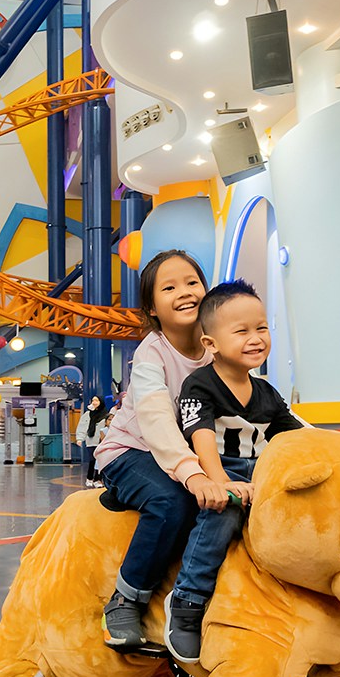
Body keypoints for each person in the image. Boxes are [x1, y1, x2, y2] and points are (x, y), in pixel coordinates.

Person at [164, 279, 307, 665]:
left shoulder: (266, 393)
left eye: (261, 328)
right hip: (216, 471)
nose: (255, 338)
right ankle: (187, 600)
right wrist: (221, 483)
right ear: (210, 343)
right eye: (241, 331)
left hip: (257, 473)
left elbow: (297, 434)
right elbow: (201, 437)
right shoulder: (200, 385)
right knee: (223, 513)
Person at [91, 249, 226, 652]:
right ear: (152, 307)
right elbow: (157, 421)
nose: (184, 292)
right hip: (131, 451)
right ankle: (125, 598)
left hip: (182, 451)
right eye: (169, 287)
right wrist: (194, 473)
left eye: (192, 282)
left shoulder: (215, 350)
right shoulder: (152, 354)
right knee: (173, 501)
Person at [75, 395, 108, 487]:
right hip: (91, 441)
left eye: (96, 400)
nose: (94, 402)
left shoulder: (106, 415)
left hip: (101, 442)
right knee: (92, 460)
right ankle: (89, 478)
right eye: (93, 400)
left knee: (100, 461)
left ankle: (98, 480)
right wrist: (80, 438)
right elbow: (82, 426)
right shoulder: (87, 414)